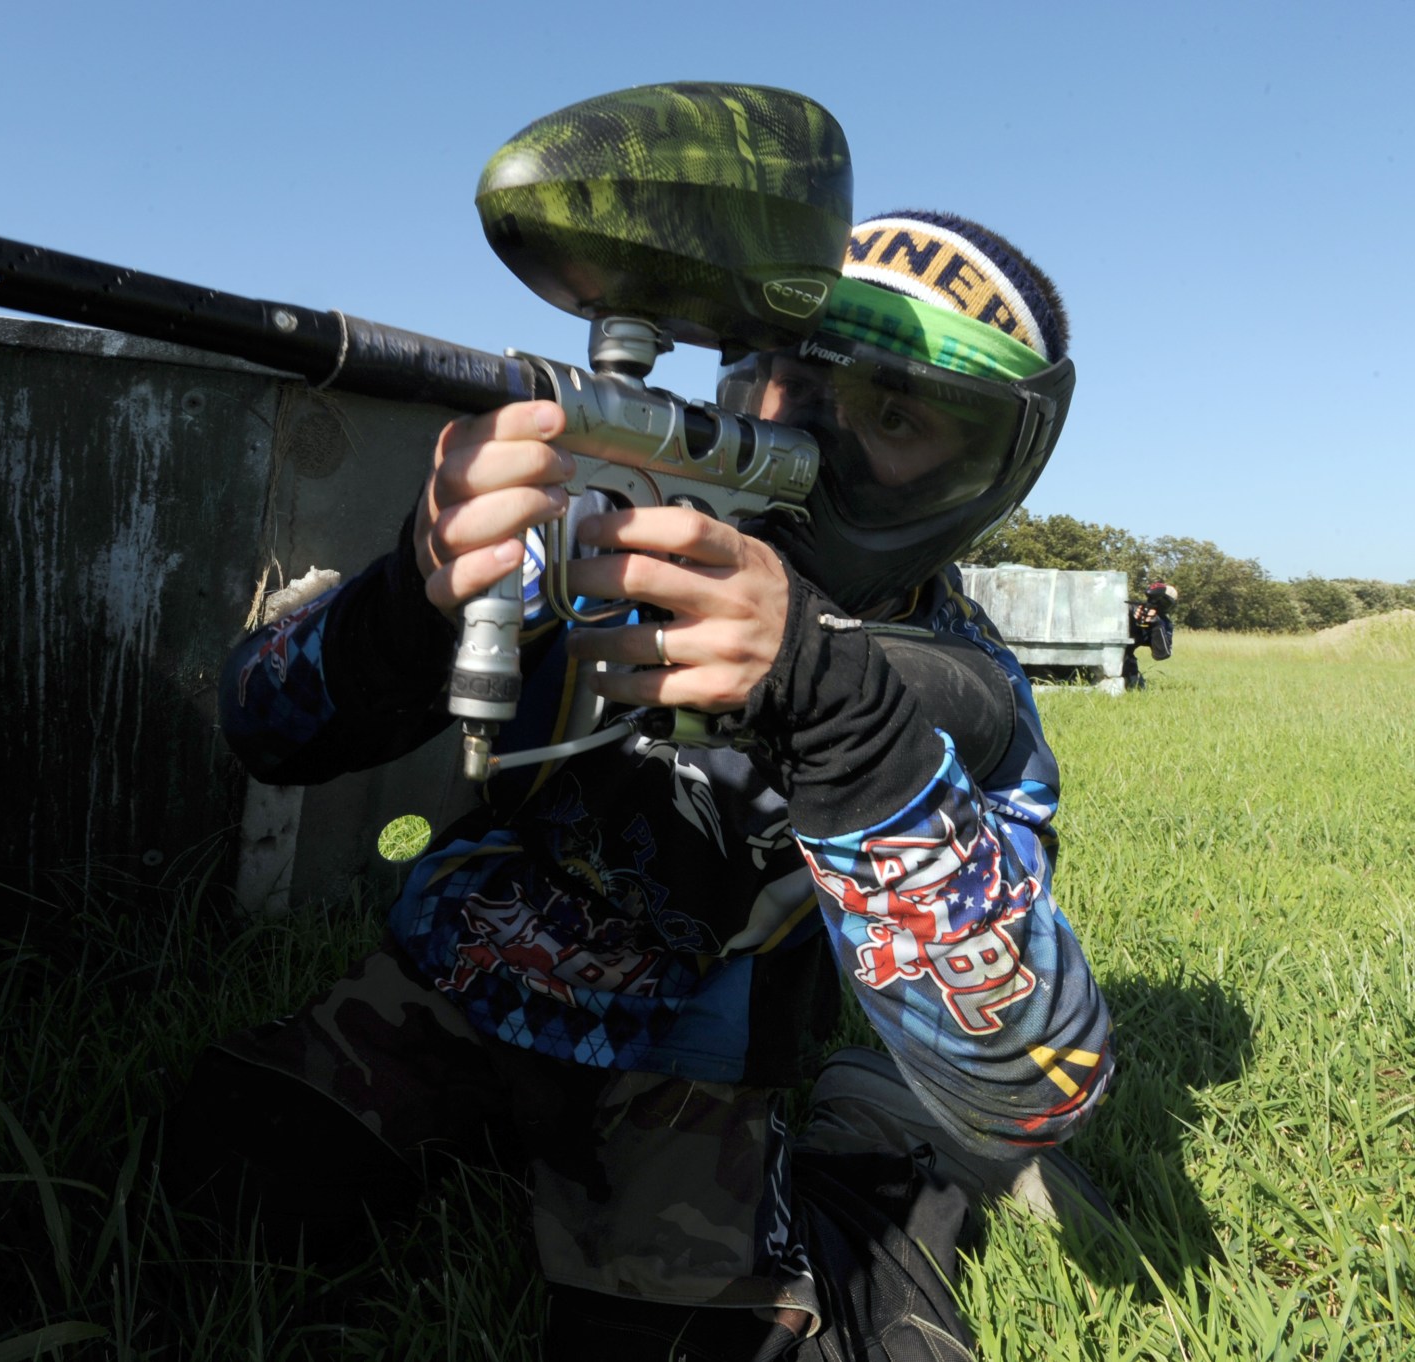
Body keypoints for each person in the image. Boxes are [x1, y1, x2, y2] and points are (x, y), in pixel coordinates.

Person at [170, 210, 1115, 1361]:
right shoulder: (589, 534)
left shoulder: (964, 693)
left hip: (693, 1071)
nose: (806, 433)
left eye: (894, 415)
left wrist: (834, 711)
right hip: (444, 983)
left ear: (985, 465)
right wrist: (406, 600)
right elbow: (264, 727)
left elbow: (1027, 1082)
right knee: (221, 1179)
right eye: (782, 378)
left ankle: (873, 1173)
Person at [1124, 581, 1177, 689]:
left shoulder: (1163, 624)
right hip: (1098, 650)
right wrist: (1131, 615)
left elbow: (1162, 654)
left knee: (1136, 686)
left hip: (1124, 659)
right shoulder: (1131, 608)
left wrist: (1155, 624)